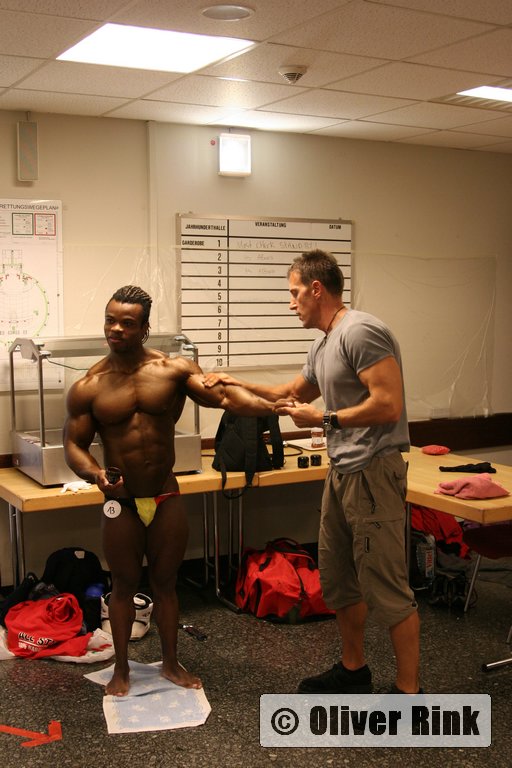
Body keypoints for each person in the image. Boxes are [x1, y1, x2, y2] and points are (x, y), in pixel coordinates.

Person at [203, 249, 421, 694]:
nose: (291, 304)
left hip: (373, 472)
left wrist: (324, 419)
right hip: (342, 472)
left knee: (387, 587)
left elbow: (388, 404)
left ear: (316, 289)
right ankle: (354, 670)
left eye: (294, 292)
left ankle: (409, 692)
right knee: (339, 579)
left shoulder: (361, 331)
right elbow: (290, 392)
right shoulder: (324, 342)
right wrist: (234, 381)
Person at [63, 285, 276, 697]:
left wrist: (275, 404)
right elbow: (74, 444)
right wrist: (95, 474)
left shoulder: (173, 370)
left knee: (166, 583)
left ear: (144, 329)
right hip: (121, 501)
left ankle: (172, 664)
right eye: (110, 320)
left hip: (165, 495)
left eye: (127, 323)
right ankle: (121, 669)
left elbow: (224, 397)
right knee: (123, 585)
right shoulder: (89, 385)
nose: (116, 329)